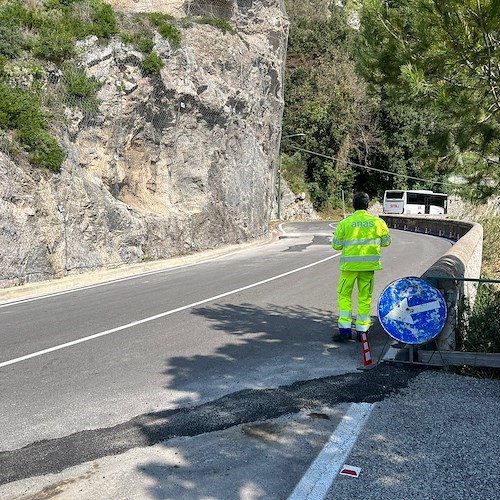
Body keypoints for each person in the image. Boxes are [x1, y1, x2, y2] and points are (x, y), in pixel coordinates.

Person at [331, 192, 391, 341]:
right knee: (365, 297)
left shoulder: (345, 223)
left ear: (353, 205)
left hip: (349, 268)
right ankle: (362, 332)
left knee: (344, 296)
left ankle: (345, 331)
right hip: (368, 268)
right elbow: (386, 242)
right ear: (368, 205)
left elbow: (336, 246)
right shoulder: (378, 222)